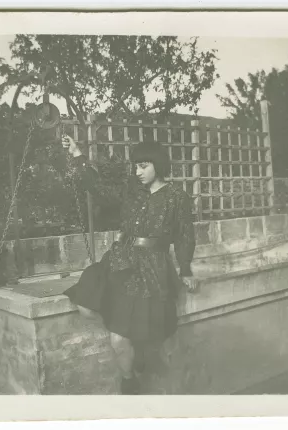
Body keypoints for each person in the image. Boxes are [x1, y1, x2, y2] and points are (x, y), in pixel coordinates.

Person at [61, 134, 197, 395]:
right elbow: (99, 189)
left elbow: (184, 235)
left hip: (152, 268)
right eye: (136, 166)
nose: (138, 172)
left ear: (158, 165)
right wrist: (78, 154)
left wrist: (186, 268)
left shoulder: (176, 197)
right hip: (119, 260)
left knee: (120, 339)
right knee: (84, 305)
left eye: (144, 166)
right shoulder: (131, 191)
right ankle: (130, 341)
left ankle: (129, 379)